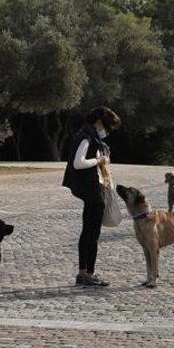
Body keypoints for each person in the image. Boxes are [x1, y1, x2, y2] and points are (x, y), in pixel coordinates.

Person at [62, 106, 122, 287]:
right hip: (92, 190)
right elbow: (78, 163)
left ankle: (83, 273)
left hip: (91, 189)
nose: (107, 131)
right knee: (92, 233)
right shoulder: (87, 137)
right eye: (107, 126)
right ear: (99, 121)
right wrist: (99, 160)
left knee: (87, 232)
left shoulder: (85, 134)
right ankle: (89, 274)